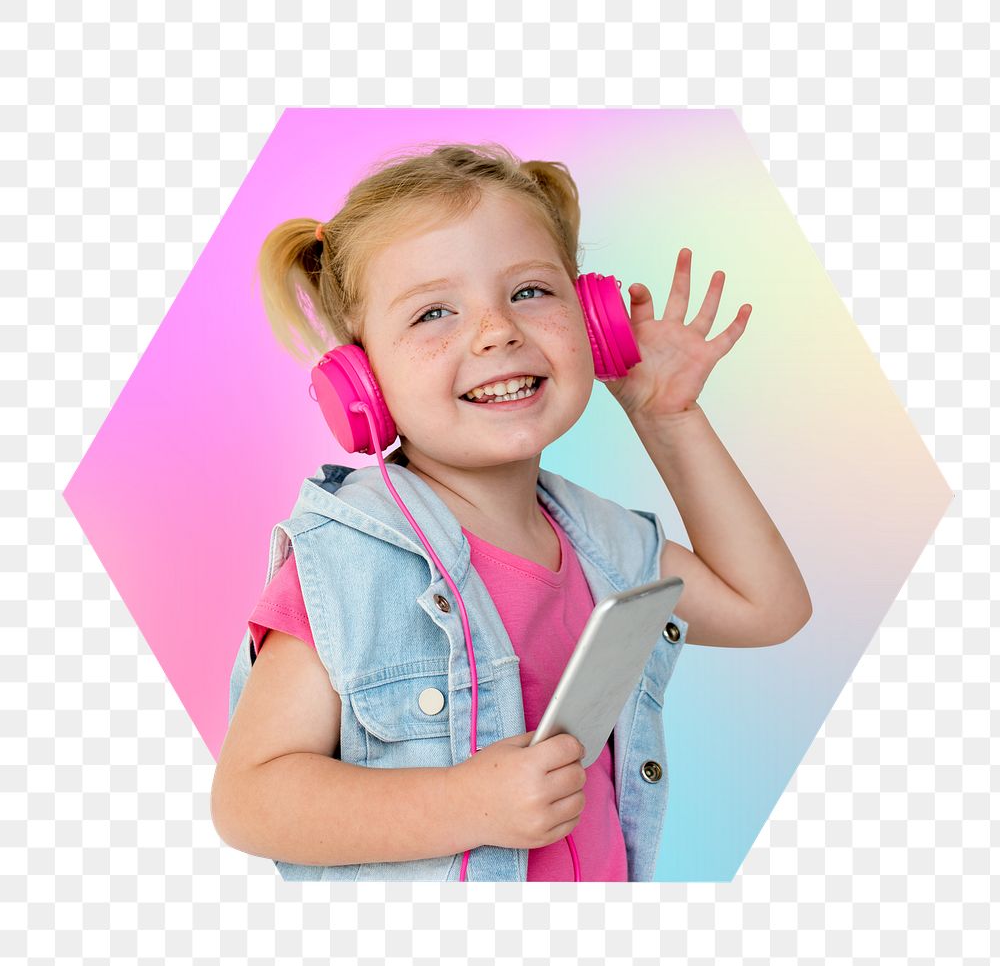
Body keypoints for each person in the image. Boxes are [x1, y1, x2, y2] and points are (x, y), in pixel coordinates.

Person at [210, 141, 813, 882]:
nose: (497, 330)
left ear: (593, 326)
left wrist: (669, 420)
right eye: (434, 312)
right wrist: (465, 803)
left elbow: (768, 609)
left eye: (530, 292)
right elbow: (249, 797)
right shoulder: (347, 566)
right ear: (361, 380)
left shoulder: (604, 546)